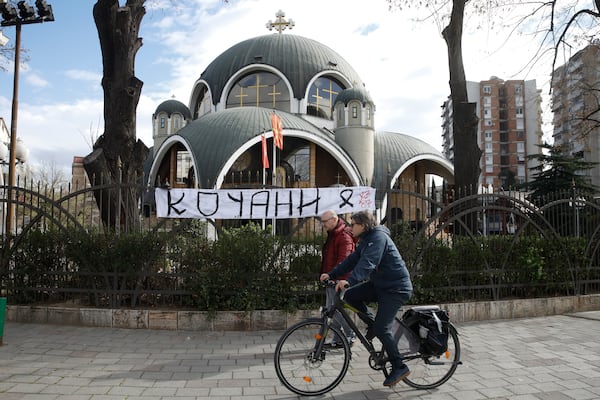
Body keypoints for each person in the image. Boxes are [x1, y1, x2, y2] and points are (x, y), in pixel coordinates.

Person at [320, 210, 413, 387]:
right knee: (351, 297)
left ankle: (399, 366)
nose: (350, 227)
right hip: (380, 285)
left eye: (353, 224)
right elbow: (352, 260)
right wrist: (331, 274)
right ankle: (372, 325)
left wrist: (349, 280)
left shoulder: (378, 238)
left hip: (395, 288)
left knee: (382, 328)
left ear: (363, 225)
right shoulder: (366, 239)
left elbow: (368, 263)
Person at [319, 210, 356, 345]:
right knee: (331, 311)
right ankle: (338, 337)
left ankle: (350, 334)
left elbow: (344, 261)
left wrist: (336, 278)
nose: (323, 225)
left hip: (339, 281)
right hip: (331, 280)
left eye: (324, 222)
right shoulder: (333, 234)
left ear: (334, 220)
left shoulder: (344, 236)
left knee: (334, 310)